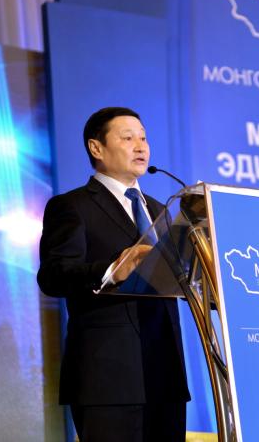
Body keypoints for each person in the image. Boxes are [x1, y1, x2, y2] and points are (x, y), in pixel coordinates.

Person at [37, 107, 190, 442]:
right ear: (96, 148)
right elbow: (53, 275)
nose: (141, 146)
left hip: (165, 374)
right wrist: (113, 269)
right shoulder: (72, 206)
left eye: (144, 138)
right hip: (107, 378)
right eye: (128, 138)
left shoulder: (159, 210)